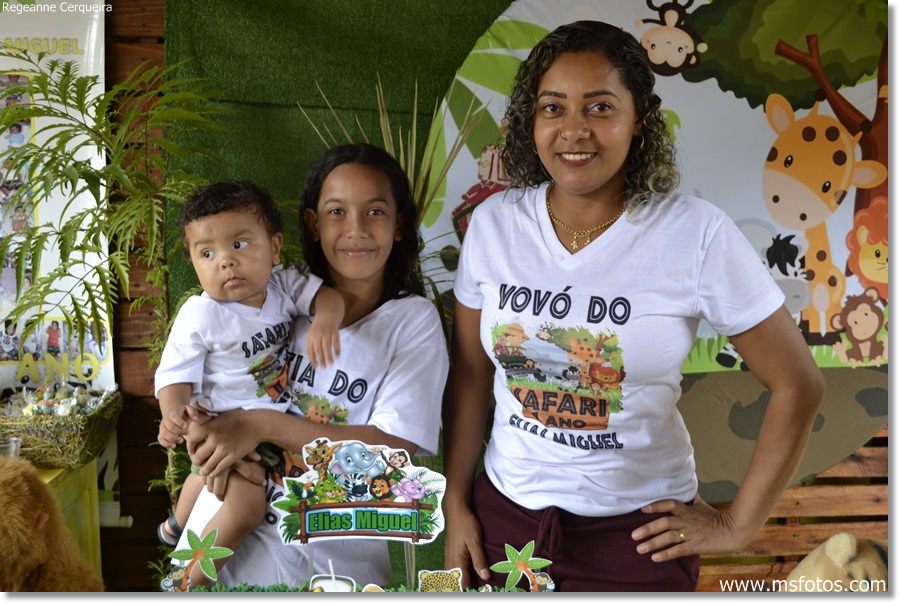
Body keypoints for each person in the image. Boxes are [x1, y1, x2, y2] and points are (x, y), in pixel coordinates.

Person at [441, 20, 824, 592]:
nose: (574, 130)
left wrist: (736, 526)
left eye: (600, 107)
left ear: (639, 118)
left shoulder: (695, 234)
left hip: (639, 539)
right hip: (503, 523)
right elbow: (472, 372)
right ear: (531, 120)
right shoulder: (494, 224)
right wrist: (456, 502)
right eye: (553, 107)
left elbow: (799, 383)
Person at [166, 143, 449, 589]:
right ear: (313, 224)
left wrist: (258, 426)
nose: (355, 229)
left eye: (375, 212)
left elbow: (390, 456)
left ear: (399, 224)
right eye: (337, 212)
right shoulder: (269, 292)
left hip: (328, 572)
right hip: (216, 549)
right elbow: (202, 383)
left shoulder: (412, 320)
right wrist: (201, 435)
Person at [154, 180, 344, 586]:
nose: (226, 261)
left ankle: (175, 525)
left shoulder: (283, 287)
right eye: (207, 253)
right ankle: (186, 580)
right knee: (246, 509)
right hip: (221, 426)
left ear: (274, 247)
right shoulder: (200, 315)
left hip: (268, 424)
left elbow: (327, 297)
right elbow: (174, 375)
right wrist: (173, 414)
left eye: (239, 244)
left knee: (203, 479)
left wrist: (326, 320)